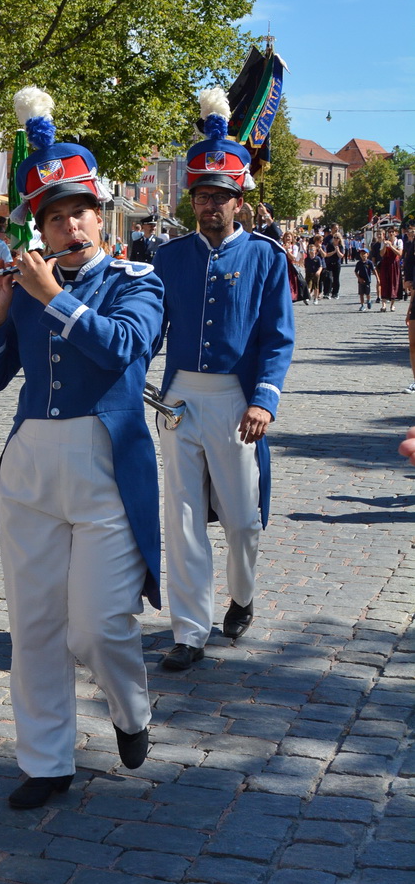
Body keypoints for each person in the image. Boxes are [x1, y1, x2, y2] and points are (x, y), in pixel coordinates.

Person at [0, 86, 162, 809]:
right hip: (29, 468)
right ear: (40, 229)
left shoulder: (133, 283)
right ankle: (44, 760)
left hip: (105, 467)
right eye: (55, 217)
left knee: (99, 625)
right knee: (35, 625)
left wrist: (54, 298)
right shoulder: (23, 287)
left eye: (80, 210)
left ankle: (130, 706)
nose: (71, 224)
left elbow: (121, 349)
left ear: (101, 215)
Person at [152, 88, 295, 669]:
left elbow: (277, 338)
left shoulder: (266, 257)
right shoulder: (167, 258)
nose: (211, 205)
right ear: (192, 201)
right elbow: (149, 327)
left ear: (240, 201)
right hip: (180, 399)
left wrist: (264, 399)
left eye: (222, 197)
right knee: (181, 517)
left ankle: (243, 594)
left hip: (237, 401)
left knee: (242, 520)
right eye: (203, 196)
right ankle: (189, 629)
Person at [378, 231, 402, 311]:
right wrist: (385, 245)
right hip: (385, 264)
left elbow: (399, 253)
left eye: (392, 232)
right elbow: (381, 254)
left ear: (396, 233)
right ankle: (384, 304)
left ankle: (392, 305)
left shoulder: (399, 241)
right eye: (389, 232)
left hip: (394, 264)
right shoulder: (384, 241)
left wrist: (391, 246)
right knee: (384, 282)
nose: (391, 233)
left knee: (394, 283)